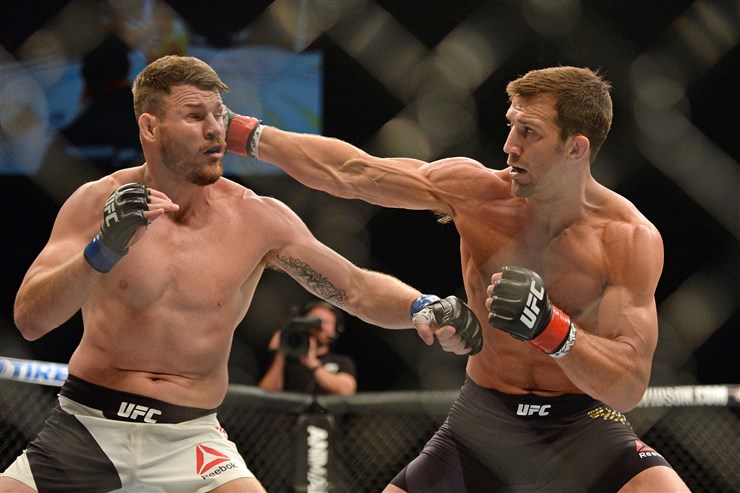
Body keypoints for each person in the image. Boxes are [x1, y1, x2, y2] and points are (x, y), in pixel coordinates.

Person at [1, 55, 482, 493]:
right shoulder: (95, 202)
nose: (215, 129)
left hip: (189, 440)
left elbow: (354, 288)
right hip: (86, 426)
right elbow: (30, 320)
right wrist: (101, 251)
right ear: (150, 127)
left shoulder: (257, 219)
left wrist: (422, 305)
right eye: (195, 116)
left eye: (219, 114)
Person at [222, 66, 691, 492]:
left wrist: (550, 328)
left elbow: (628, 386)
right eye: (512, 125)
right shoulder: (478, 194)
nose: (509, 145)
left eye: (529, 132)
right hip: (484, 421)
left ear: (576, 147)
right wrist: (242, 134)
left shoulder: (627, 238)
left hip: (584, 425)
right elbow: (354, 172)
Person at [259, 300, 358, 395]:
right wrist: (280, 352)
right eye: (314, 320)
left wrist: (312, 364)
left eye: (325, 322)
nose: (319, 327)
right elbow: (266, 395)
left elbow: (346, 391)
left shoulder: (342, 362)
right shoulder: (289, 360)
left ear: (335, 330)